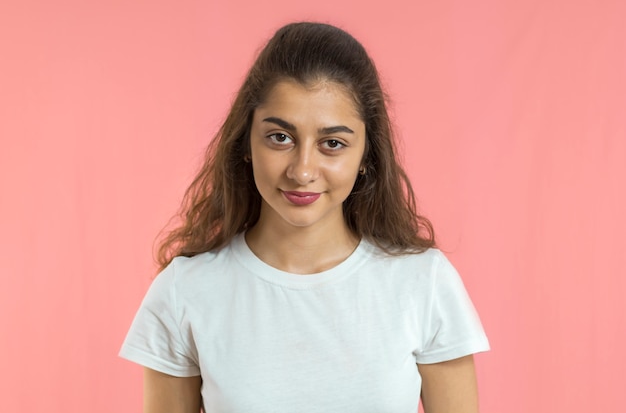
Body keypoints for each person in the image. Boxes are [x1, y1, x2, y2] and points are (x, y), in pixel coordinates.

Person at [120, 22, 489, 413]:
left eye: (333, 144)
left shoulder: (424, 283)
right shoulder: (184, 291)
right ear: (246, 141)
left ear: (366, 156)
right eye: (280, 137)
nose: (303, 170)